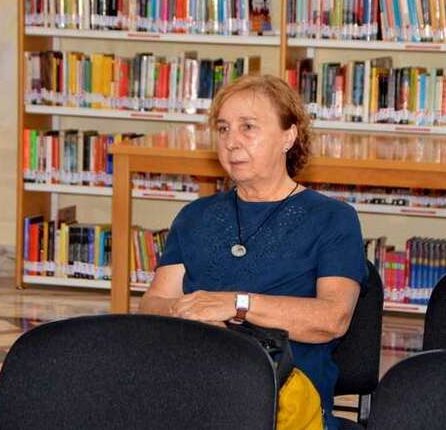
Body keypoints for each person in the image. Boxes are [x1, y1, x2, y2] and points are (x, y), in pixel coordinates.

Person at [139, 74, 367, 429]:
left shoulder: (332, 218)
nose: (231, 142)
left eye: (248, 127)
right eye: (223, 128)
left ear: (288, 137)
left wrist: (237, 304)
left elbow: (332, 318)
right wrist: (187, 312)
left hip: (286, 403)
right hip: (196, 391)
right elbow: (153, 303)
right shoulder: (195, 216)